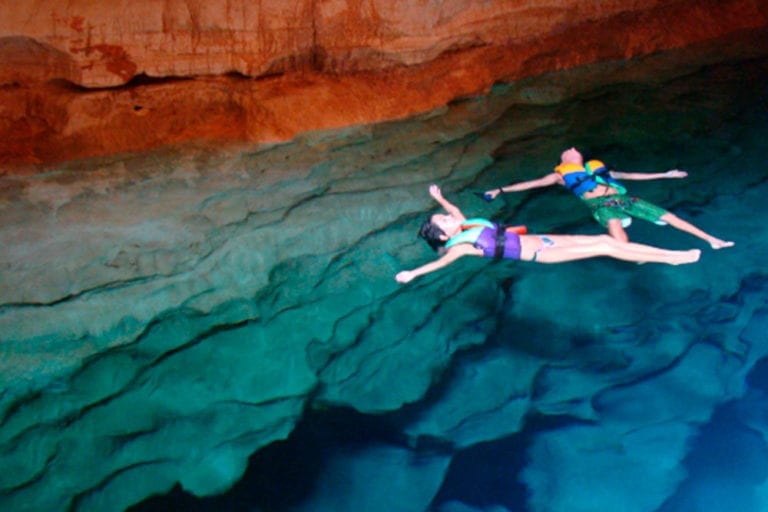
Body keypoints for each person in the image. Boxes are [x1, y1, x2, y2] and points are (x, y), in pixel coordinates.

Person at [395, 185, 701, 284]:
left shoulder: (465, 226)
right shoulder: (460, 246)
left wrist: (440, 199)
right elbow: (439, 264)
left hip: (542, 239)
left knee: (608, 241)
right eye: (444, 219)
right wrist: (411, 273)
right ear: (443, 232)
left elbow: (458, 212)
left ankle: (670, 258)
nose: (450, 217)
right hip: (543, 253)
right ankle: (672, 258)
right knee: (607, 247)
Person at [481, 147, 734, 249]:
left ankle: (711, 239)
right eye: (567, 150)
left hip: (623, 199)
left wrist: (666, 174)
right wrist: (501, 190)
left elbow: (632, 175)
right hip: (599, 204)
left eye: (575, 148)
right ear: (563, 159)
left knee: (670, 217)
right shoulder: (559, 175)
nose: (572, 148)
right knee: (617, 232)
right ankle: (636, 255)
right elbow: (531, 184)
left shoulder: (597, 168)